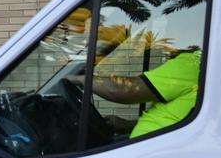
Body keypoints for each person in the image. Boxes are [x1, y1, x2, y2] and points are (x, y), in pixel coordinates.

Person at [69, 48, 201, 138]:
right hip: (152, 149)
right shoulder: (206, 67)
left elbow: (124, 90)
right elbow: (181, 117)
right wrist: (128, 125)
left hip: (151, 155)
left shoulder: (195, 63)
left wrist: (80, 79)